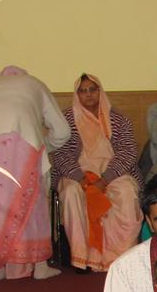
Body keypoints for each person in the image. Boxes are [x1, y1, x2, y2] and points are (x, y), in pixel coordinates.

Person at [0, 66, 70, 281]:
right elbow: (63, 131)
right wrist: (45, 145)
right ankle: (40, 266)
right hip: (19, 138)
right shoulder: (34, 83)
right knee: (30, 200)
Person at [49, 73, 142, 272]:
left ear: (100, 91)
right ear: (76, 95)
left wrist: (105, 179)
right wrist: (81, 178)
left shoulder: (117, 118)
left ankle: (121, 256)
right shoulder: (67, 120)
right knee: (72, 193)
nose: (88, 95)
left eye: (93, 89)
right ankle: (82, 258)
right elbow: (60, 153)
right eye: (83, 91)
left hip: (113, 173)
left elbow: (129, 151)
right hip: (77, 174)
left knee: (126, 192)